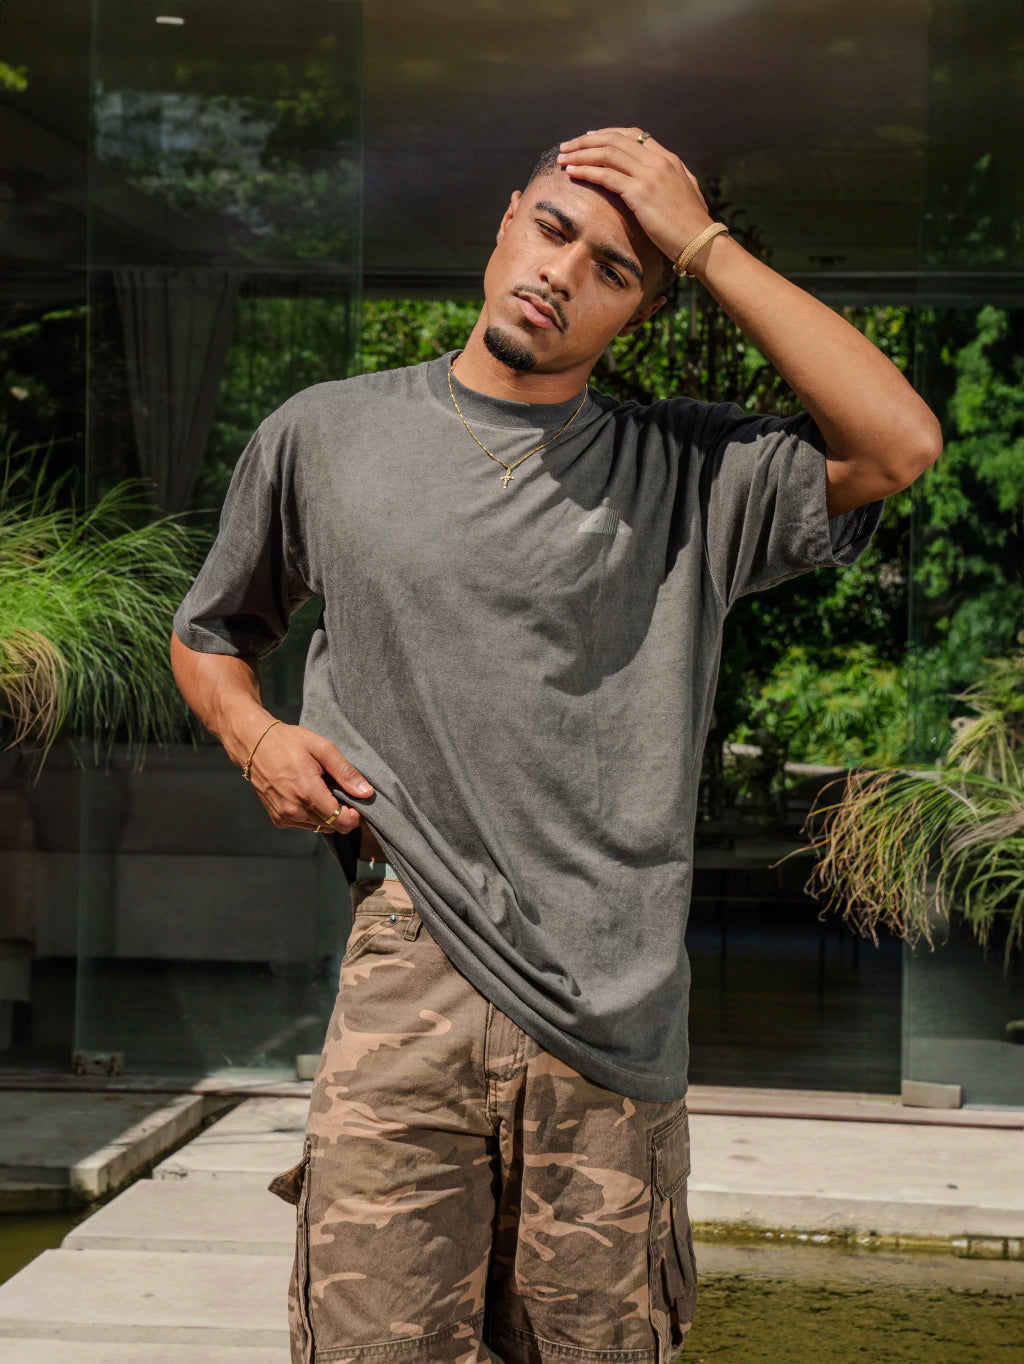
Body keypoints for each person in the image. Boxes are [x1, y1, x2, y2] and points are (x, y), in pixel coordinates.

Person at [170, 126, 942, 1364]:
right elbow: (210, 632)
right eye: (551, 227)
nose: (562, 272)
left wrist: (702, 240)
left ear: (641, 309)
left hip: (609, 1016)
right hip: (406, 976)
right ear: (504, 221)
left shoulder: (688, 472)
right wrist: (256, 736)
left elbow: (896, 443)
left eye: (616, 269)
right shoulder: (325, 433)